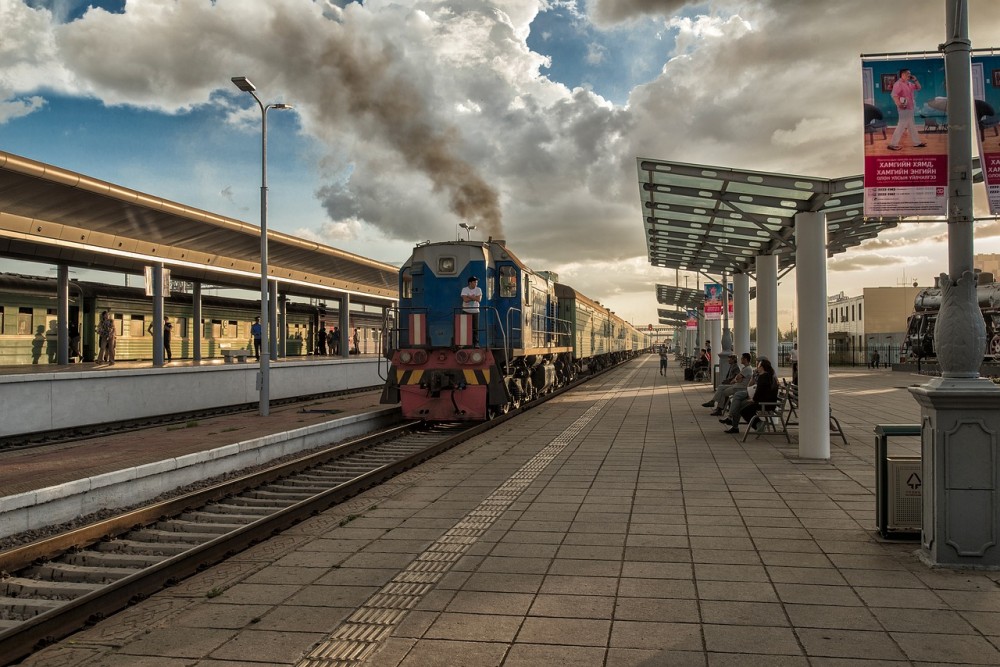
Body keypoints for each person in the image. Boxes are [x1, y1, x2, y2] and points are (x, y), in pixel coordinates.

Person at [725, 358, 779, 434]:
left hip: (764, 403)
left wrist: (753, 399)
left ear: (762, 367)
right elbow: (761, 391)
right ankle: (756, 424)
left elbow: (759, 391)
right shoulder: (770, 376)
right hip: (767, 402)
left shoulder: (763, 377)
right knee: (739, 404)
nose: (757, 367)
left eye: (759, 366)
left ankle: (758, 424)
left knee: (742, 409)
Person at [887, 69, 926, 151]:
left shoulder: (909, 84)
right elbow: (894, 95)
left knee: (911, 126)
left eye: (910, 74)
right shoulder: (898, 84)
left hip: (910, 107)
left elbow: (919, 87)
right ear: (903, 74)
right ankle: (892, 144)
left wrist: (915, 80)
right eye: (908, 73)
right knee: (901, 125)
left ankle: (917, 143)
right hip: (903, 108)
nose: (909, 75)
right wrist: (899, 104)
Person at [461, 276, 482, 345]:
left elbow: (479, 300)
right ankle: (465, 343)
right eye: (475, 282)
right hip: (466, 311)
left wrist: (469, 296)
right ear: (470, 283)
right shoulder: (464, 289)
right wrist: (474, 297)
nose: (476, 283)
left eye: (476, 282)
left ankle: (476, 343)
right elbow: (465, 300)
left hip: (475, 311)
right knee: (465, 328)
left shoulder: (478, 289)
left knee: (476, 328)